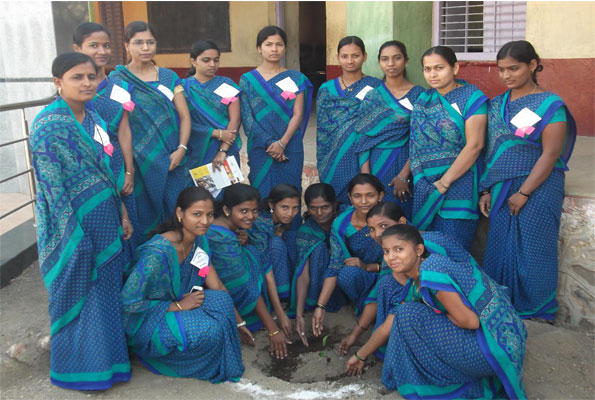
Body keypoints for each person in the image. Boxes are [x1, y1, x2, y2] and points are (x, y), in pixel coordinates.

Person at [30, 52, 133, 390]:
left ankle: (111, 365)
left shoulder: (95, 119)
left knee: (104, 291)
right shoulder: (48, 125)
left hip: (106, 217)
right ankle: (78, 371)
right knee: (79, 291)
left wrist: (122, 213)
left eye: (92, 76)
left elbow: (107, 171)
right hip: (71, 225)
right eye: (77, 77)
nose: (87, 83)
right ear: (58, 83)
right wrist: (72, 234)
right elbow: (51, 187)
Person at [346, 224, 528, 400]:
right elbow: (389, 325)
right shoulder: (417, 279)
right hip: (506, 341)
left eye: (399, 249)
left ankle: (451, 381)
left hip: (493, 350)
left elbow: (470, 321)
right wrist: (360, 355)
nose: (391, 257)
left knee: (408, 315)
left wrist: (442, 316)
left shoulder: (431, 270)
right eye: (386, 251)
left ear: (418, 250)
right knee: (405, 314)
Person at [479, 40, 576, 320]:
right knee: (499, 245)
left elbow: (551, 153)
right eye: (501, 70)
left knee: (534, 249)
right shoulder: (497, 105)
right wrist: (486, 188)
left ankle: (538, 310)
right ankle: (503, 304)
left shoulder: (550, 105)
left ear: (532, 65)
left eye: (514, 68)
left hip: (539, 186)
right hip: (500, 187)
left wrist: (524, 192)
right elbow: (490, 150)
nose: (507, 75)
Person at [121, 186, 248, 382]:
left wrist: (238, 322)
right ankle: (149, 354)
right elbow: (128, 301)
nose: (205, 221)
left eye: (210, 215)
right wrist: (177, 306)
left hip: (181, 304)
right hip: (148, 319)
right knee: (210, 332)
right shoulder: (157, 253)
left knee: (222, 301)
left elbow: (217, 285)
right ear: (180, 213)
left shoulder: (200, 242)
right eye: (197, 214)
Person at [358, 202, 478, 359]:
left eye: (384, 226)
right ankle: (391, 349)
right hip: (444, 303)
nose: (378, 234)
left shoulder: (430, 260)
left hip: (471, 314)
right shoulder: (399, 257)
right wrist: (358, 337)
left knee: (408, 314)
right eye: (372, 229)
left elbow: (469, 318)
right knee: (389, 288)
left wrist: (433, 313)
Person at [109, 21, 192, 238]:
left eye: (150, 42)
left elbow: (185, 116)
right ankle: (148, 262)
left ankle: (179, 260)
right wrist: (127, 167)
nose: (145, 48)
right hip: (138, 161)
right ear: (126, 45)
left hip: (171, 157)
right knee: (144, 213)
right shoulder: (117, 80)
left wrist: (182, 148)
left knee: (176, 209)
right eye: (138, 43)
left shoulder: (169, 77)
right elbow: (117, 123)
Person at [409, 46, 488, 251]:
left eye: (439, 68)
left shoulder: (471, 97)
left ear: (455, 68)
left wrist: (445, 182)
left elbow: (475, 145)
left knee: (453, 250)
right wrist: (424, 182)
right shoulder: (423, 100)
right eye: (427, 69)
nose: (432, 74)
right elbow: (416, 144)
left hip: (460, 184)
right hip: (426, 186)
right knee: (425, 251)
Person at [72, 22, 142, 252]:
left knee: (126, 226)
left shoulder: (120, 87)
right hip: (86, 167)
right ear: (77, 48)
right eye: (94, 45)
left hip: (116, 164)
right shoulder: (72, 89)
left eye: (106, 46)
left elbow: (124, 131)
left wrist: (129, 171)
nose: (102, 51)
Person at [206, 183, 292, 359]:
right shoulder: (222, 239)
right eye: (243, 211)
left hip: (219, 286)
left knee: (253, 252)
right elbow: (244, 284)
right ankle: (240, 317)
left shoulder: (231, 231)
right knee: (251, 258)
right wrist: (273, 330)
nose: (251, 216)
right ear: (227, 210)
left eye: (254, 211)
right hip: (211, 293)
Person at [239, 25, 313, 198]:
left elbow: (298, 114)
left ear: (285, 48)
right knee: (261, 192)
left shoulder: (296, 78)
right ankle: (262, 225)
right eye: (268, 44)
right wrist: (270, 143)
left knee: (290, 193)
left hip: (290, 145)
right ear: (259, 48)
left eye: (279, 44)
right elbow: (247, 119)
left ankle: (291, 226)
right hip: (259, 147)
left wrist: (282, 143)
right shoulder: (248, 80)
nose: (274, 49)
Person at [356, 40, 424, 220]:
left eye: (397, 58)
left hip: (406, 161)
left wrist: (403, 176)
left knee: (401, 215)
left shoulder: (419, 95)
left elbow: (420, 139)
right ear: (379, 62)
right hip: (376, 162)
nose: (391, 64)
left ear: (406, 61)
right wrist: (367, 179)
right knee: (376, 216)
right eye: (385, 59)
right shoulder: (372, 96)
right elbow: (363, 139)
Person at [312, 174, 384, 338]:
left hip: (389, 273)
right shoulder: (341, 223)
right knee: (346, 274)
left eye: (370, 195)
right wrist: (320, 306)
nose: (364, 202)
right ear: (350, 197)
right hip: (359, 276)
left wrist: (370, 267)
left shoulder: (389, 218)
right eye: (358, 196)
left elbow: (406, 256)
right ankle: (364, 307)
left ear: (380, 196)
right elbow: (335, 265)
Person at [316, 36, 382, 208]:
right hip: (331, 154)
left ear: (365, 56)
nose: (350, 61)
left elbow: (379, 125)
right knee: (332, 201)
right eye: (344, 56)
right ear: (338, 57)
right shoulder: (326, 89)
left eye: (355, 55)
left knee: (361, 197)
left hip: (361, 152)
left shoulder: (376, 87)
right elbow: (322, 129)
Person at [290, 183, 347, 345]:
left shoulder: (345, 219)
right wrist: (299, 315)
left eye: (325, 207)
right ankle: (318, 302)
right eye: (313, 208)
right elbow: (303, 273)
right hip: (322, 284)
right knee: (319, 249)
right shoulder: (307, 231)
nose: (319, 213)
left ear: (334, 204)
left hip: (346, 276)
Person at [182, 40, 241, 172]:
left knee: (227, 190)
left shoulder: (227, 84)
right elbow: (182, 121)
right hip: (195, 148)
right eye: (206, 60)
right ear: (193, 61)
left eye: (216, 60)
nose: (212, 64)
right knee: (198, 191)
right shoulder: (183, 88)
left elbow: (235, 119)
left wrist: (223, 150)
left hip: (226, 147)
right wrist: (216, 133)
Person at [249, 183, 301, 303]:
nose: (290, 213)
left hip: (266, 257)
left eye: (295, 208)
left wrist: (280, 231)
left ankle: (294, 289)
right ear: (272, 205)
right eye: (284, 207)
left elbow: (285, 227)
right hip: (252, 261)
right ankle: (279, 296)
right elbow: (263, 258)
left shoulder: (281, 220)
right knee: (277, 243)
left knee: (291, 239)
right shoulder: (262, 222)